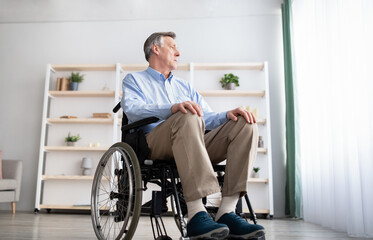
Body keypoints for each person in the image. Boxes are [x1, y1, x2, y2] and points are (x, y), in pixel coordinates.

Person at [121, 32, 265, 240]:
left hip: (193, 140)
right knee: (186, 115)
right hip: (155, 141)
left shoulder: (184, 86)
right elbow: (133, 109)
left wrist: (227, 114)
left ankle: (227, 211)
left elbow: (206, 116)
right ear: (156, 48)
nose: (178, 53)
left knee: (245, 124)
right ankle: (197, 213)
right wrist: (172, 108)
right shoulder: (134, 80)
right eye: (173, 47)